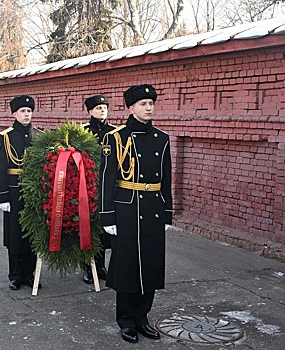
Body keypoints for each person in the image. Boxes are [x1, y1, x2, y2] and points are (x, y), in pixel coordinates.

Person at [99, 84, 172, 343]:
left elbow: (166, 179)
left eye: (151, 103)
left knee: (151, 264)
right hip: (127, 208)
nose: (149, 107)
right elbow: (107, 179)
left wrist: (167, 213)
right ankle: (126, 320)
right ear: (131, 107)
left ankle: (143, 317)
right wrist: (107, 216)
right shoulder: (116, 138)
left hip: (153, 207)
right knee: (127, 264)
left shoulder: (162, 138)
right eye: (143, 104)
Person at [0, 95, 42, 291]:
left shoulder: (40, 135)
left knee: (32, 233)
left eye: (29, 111)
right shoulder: (5, 136)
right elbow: (0, 168)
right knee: (15, 235)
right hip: (13, 192)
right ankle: (14, 275)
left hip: (34, 193)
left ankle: (29, 274)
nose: (26, 114)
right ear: (14, 113)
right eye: (23, 111)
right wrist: (2, 196)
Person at [82, 94, 116, 285]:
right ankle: (87, 267)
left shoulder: (115, 132)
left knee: (104, 226)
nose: (102, 111)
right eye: (98, 108)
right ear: (90, 111)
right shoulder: (83, 132)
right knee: (87, 225)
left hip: (107, 186)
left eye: (104, 108)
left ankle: (101, 266)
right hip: (85, 186)